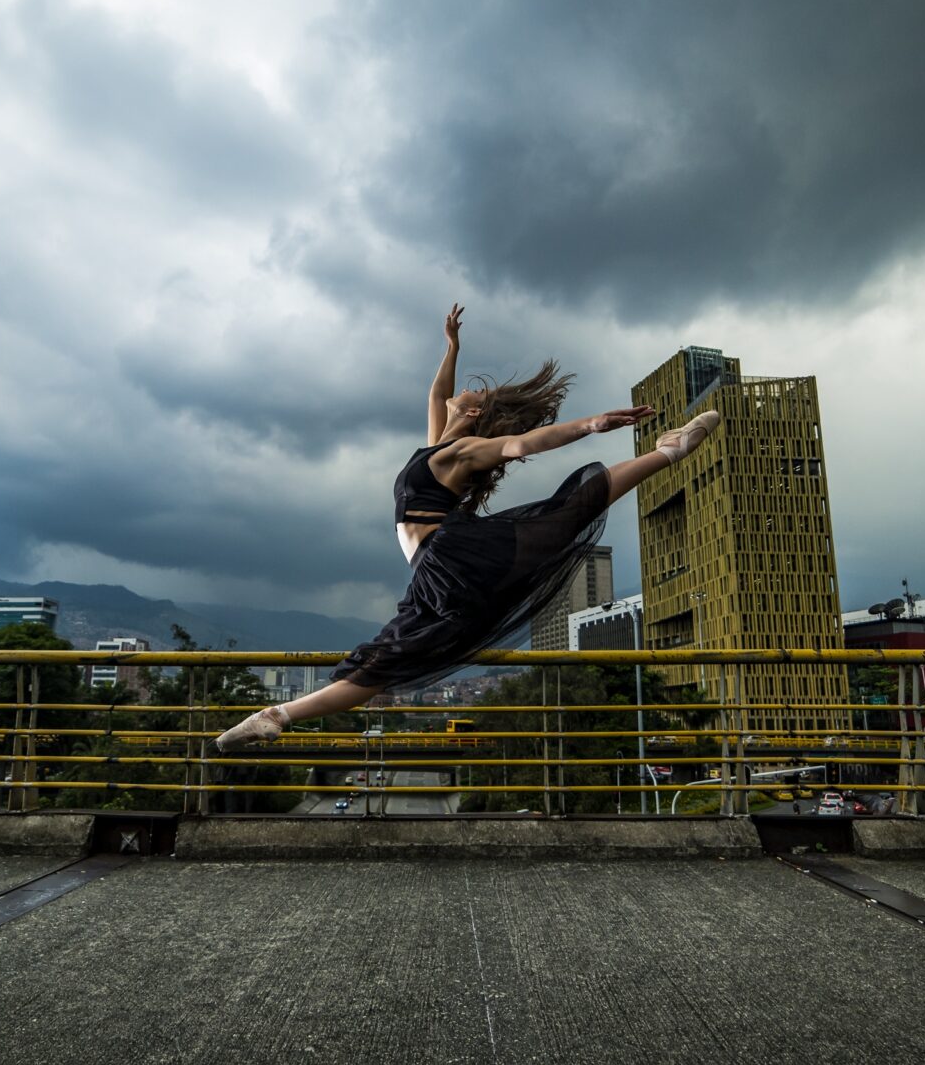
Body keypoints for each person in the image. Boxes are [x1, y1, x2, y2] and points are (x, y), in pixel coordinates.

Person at [216, 304, 720, 751]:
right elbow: (437, 393)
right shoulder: (438, 444)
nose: (460, 391)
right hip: (434, 575)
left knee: (566, 511)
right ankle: (275, 716)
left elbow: (521, 445)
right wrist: (452, 347)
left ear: (474, 411)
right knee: (383, 662)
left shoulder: (464, 451)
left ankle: (668, 451)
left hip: (450, 555)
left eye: (471, 393)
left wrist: (591, 425)